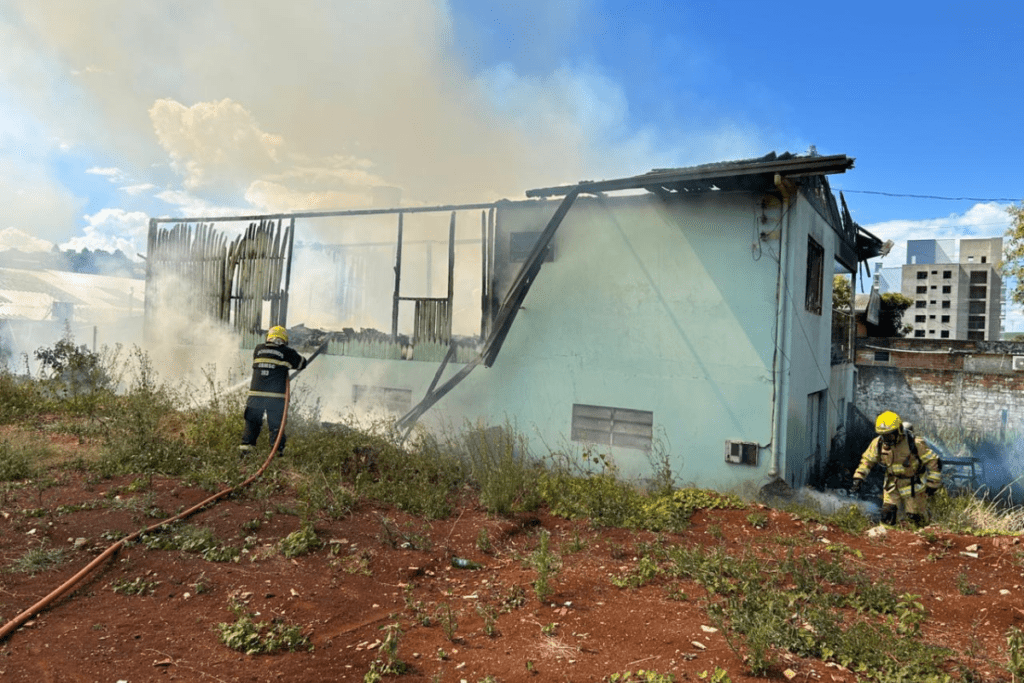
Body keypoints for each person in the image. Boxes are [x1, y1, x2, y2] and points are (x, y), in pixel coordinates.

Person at [850, 410, 942, 526]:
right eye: (884, 435)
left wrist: (932, 484)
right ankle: (887, 540)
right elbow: (867, 461)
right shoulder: (878, 443)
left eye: (890, 435)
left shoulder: (914, 443)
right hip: (892, 485)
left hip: (913, 486)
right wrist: (859, 477)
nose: (887, 439)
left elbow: (934, 461)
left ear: (899, 430)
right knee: (887, 515)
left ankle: (921, 539)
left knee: (916, 519)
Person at [239, 326, 308, 457]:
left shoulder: (258, 349)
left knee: (251, 424)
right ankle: (277, 455)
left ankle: (245, 454)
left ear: (268, 338)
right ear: (284, 340)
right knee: (276, 427)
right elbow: (302, 364)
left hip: (255, 397)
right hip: (275, 398)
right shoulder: (287, 352)